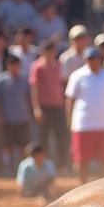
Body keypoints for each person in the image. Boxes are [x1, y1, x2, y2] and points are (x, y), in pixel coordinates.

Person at [65, 45, 104, 183]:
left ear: (100, 59)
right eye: (89, 59)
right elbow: (69, 100)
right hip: (83, 124)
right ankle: (82, 187)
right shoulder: (77, 76)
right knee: (82, 160)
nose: (92, 62)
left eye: (95, 59)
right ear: (85, 60)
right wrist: (69, 120)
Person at [29, 40, 67, 170]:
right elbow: (35, 88)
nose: (51, 54)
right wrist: (36, 108)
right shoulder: (37, 66)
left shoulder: (57, 65)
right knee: (43, 138)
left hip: (57, 106)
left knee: (61, 136)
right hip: (44, 106)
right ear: (43, 52)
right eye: (48, 51)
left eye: (52, 51)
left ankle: (63, 166)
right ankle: (41, 165)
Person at [0, 51, 31, 174]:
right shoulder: (0, 80)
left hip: (22, 117)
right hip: (7, 118)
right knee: (7, 144)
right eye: (12, 65)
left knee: (22, 145)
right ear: (7, 66)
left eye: (17, 65)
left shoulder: (24, 80)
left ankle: (21, 169)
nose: (15, 68)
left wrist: (29, 114)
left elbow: (28, 98)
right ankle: (7, 168)